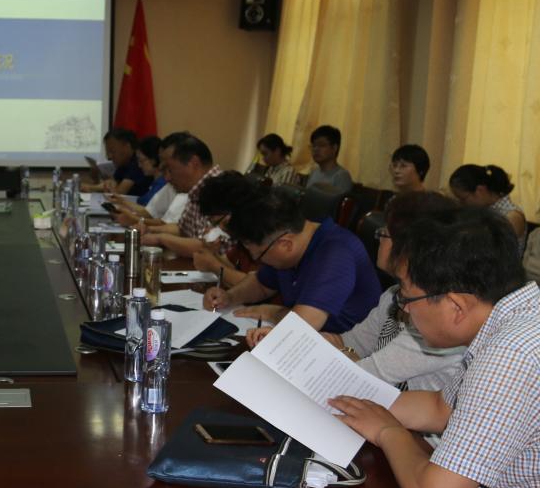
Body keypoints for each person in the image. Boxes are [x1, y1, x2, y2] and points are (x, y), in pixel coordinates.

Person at [303, 206, 540, 488]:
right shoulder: (515, 318)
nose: (404, 312)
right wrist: (334, 397)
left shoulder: (511, 357)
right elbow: (439, 408)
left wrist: (387, 431)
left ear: (455, 305)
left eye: (408, 300)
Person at [321, 191, 463, 391]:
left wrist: (346, 353)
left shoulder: (438, 316)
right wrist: (342, 350)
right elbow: (351, 342)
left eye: (384, 233)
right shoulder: (393, 295)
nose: (379, 238)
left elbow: (363, 377)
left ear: (408, 247)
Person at [204, 185, 380, 344]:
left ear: (286, 245)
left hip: (347, 352)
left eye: (259, 256)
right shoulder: (290, 246)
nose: (258, 261)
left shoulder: (337, 253)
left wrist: (273, 313)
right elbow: (261, 284)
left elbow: (301, 327)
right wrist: (229, 297)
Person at [139, 135, 223, 257]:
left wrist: (160, 238)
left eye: (170, 170)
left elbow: (208, 245)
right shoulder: (196, 189)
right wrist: (150, 229)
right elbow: (182, 229)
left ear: (193, 163)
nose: (167, 178)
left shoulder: (222, 189)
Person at [449, 163, 526, 255]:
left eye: (463, 199)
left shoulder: (512, 217)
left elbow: (494, 254)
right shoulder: (484, 211)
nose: (461, 204)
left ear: (480, 191)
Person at [81, 128, 150, 195]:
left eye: (112, 151)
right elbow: (112, 183)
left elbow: (119, 193)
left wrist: (91, 188)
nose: (109, 157)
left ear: (127, 146)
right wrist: (91, 186)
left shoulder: (138, 162)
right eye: (108, 152)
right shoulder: (123, 163)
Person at [305, 125, 353, 194]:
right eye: (313, 145)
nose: (316, 149)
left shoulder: (341, 176)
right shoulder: (314, 172)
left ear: (334, 148)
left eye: (321, 145)